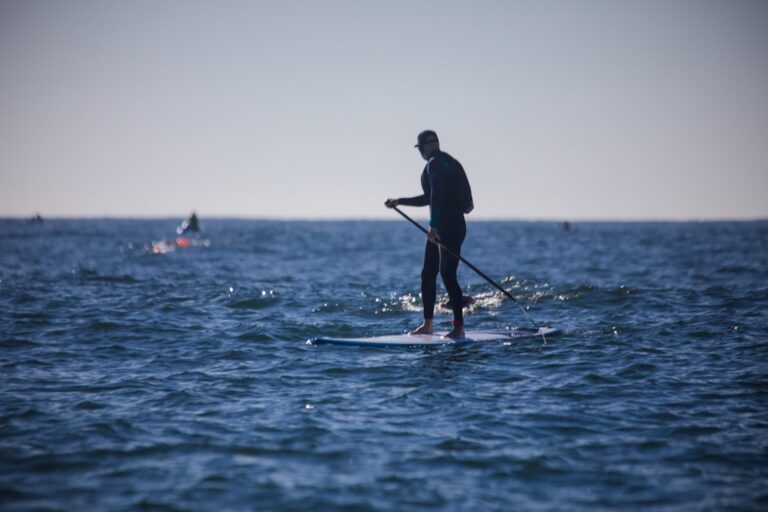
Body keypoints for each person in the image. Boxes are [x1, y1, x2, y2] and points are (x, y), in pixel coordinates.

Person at [385, 130, 473, 339]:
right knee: (428, 274)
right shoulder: (448, 161)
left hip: (447, 227)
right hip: (448, 225)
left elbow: (437, 196)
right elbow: (429, 197)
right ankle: (428, 325)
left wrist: (433, 226)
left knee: (447, 275)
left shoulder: (434, 164)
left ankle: (459, 328)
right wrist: (400, 201)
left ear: (424, 147)